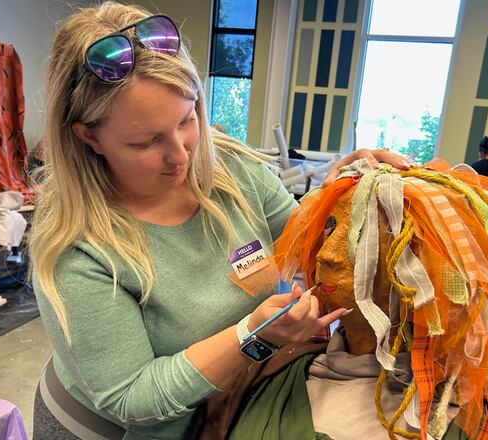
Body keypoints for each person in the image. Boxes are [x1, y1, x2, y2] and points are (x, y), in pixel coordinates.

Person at [28, 2, 412, 438]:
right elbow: (133, 399)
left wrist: (342, 194)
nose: (181, 154)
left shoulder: (229, 169)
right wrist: (253, 335)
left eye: (187, 118)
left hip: (224, 407)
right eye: (145, 142)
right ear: (88, 135)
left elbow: (305, 241)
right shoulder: (78, 249)